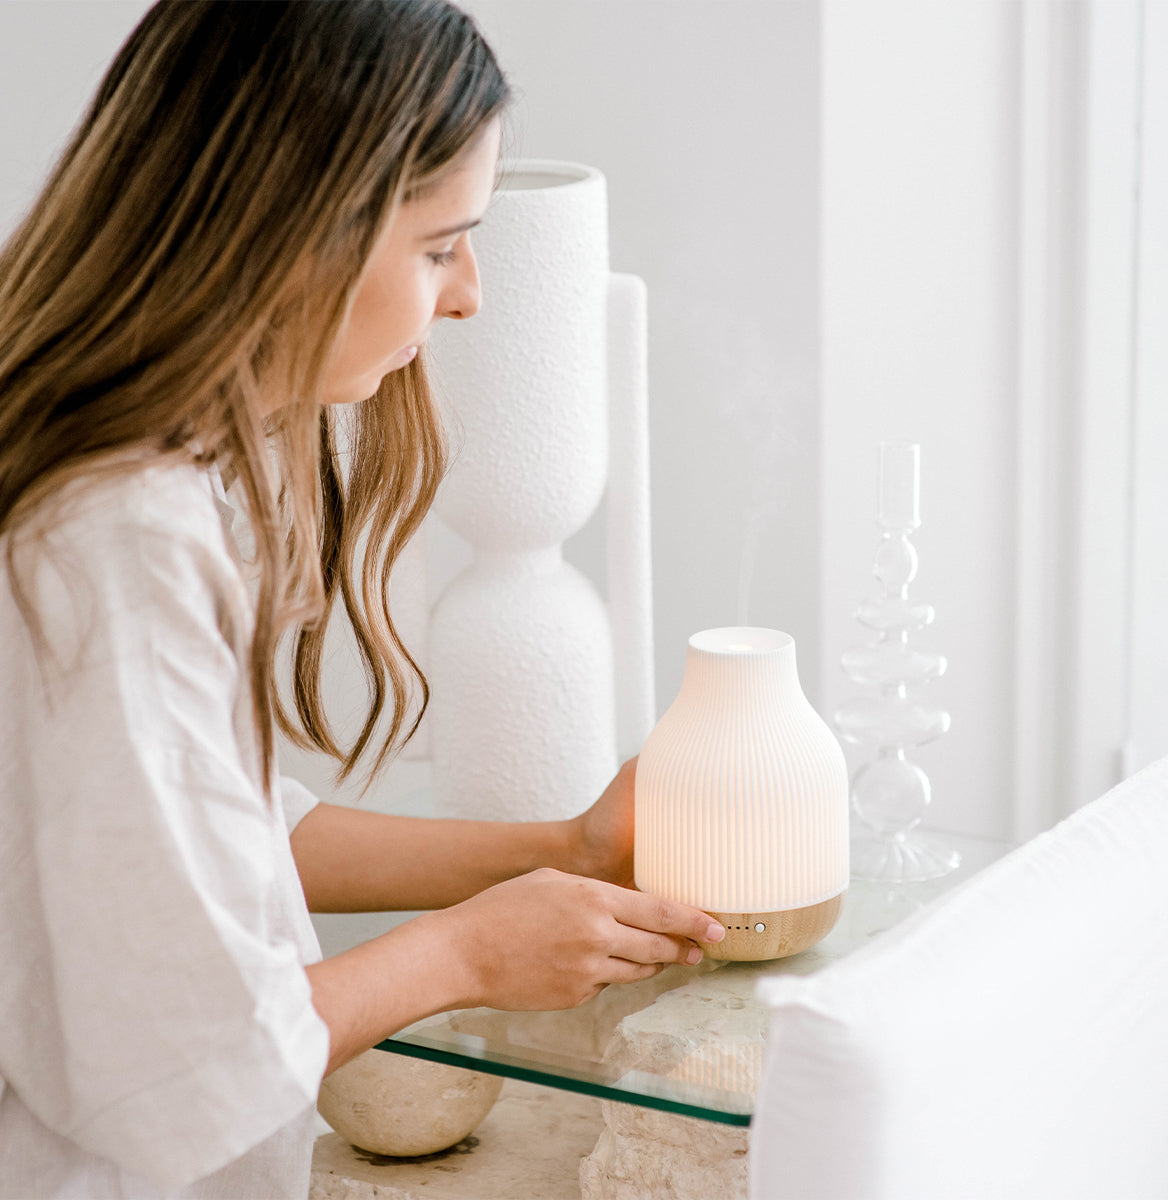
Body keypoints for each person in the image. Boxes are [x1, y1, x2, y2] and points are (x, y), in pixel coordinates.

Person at [0, 2, 725, 1196]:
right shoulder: (118, 539)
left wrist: (566, 848)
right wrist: (467, 955)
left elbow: (215, 835)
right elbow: (187, 1070)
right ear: (295, 231)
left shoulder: (121, 483)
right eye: (441, 248)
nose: (469, 296)